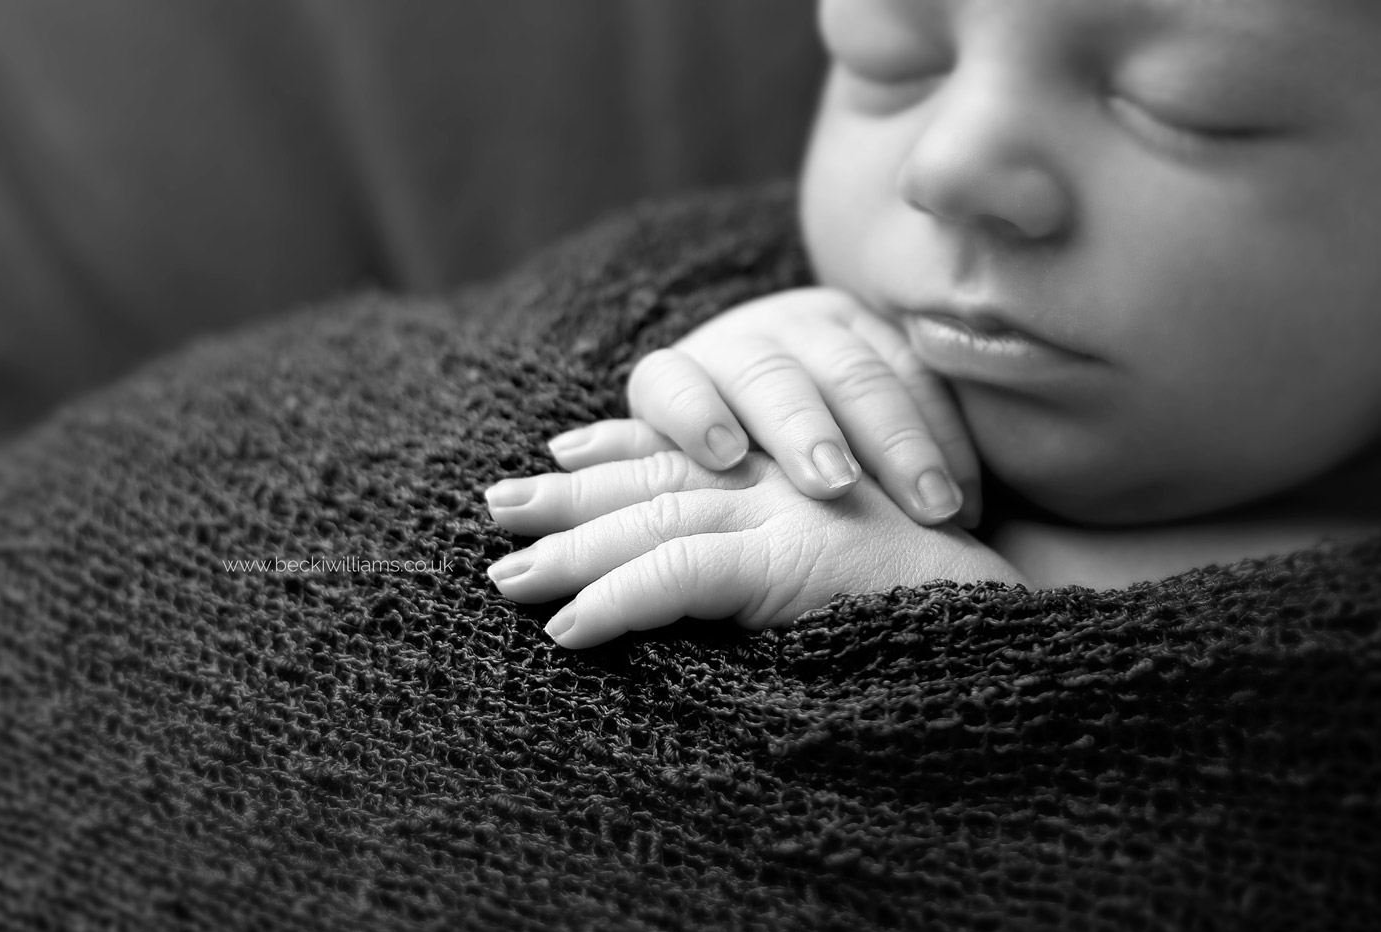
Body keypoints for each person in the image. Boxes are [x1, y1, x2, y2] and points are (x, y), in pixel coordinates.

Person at [484, 0, 1381, 649]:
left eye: (1182, 101)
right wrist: (752, 387)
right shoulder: (758, 296)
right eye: (889, 55)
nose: (947, 167)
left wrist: (951, 617)